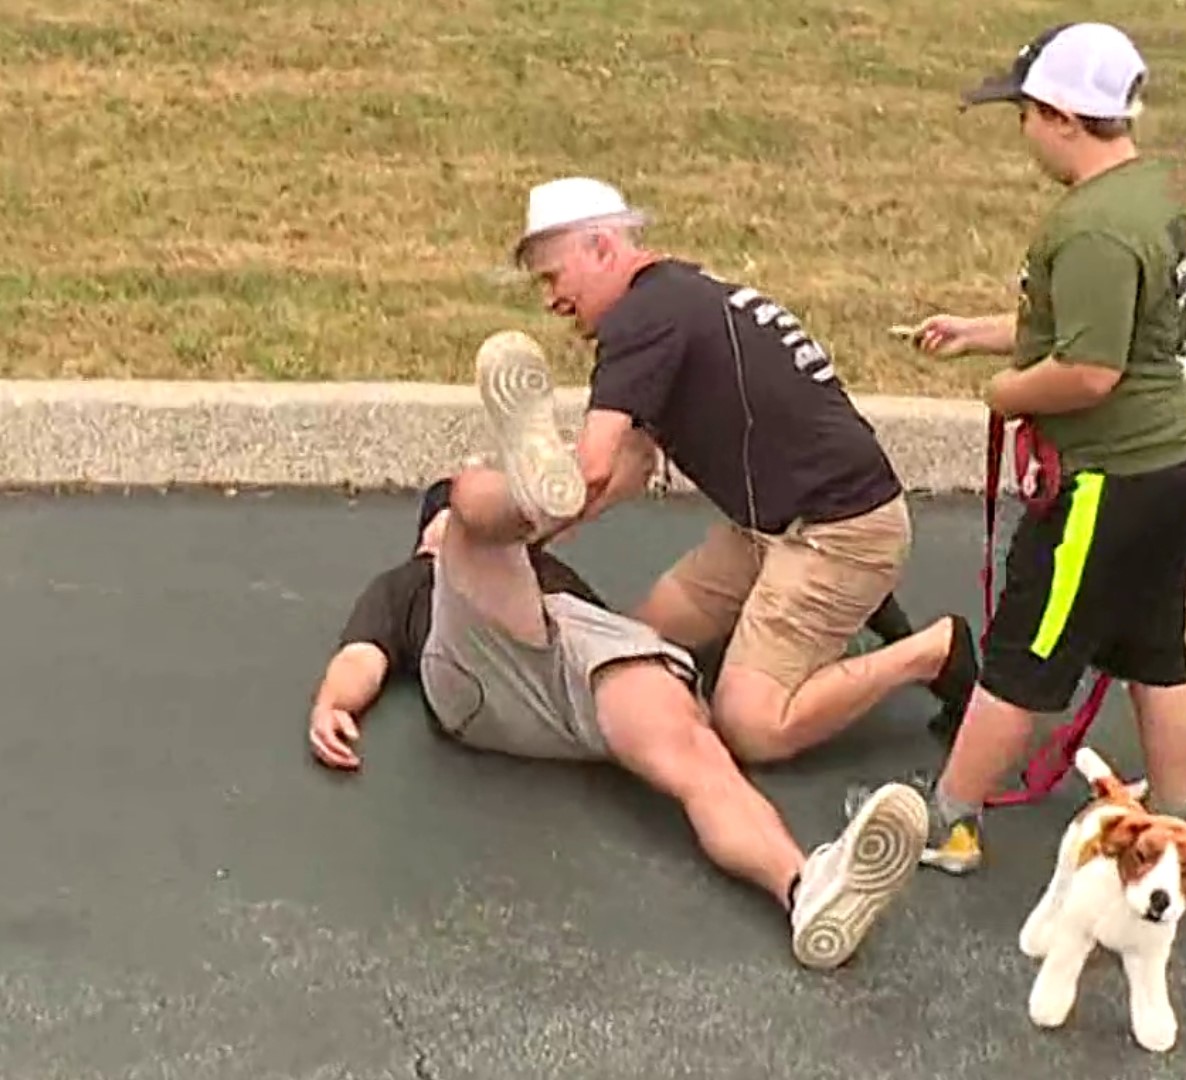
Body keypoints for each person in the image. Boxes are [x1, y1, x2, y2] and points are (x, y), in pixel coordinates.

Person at [304, 330, 930, 971]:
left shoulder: (551, 579)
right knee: (473, 506)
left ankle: (804, 886)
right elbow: (364, 654)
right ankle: (526, 489)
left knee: (698, 759)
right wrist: (334, 704)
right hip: (479, 665)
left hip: (578, 660)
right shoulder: (412, 581)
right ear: (424, 531)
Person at [846, 21, 1186, 874]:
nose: (1020, 130)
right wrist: (984, 335)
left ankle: (951, 821)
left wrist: (1004, 392)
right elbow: (1108, 325)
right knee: (1155, 648)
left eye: (1022, 111)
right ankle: (1180, 825)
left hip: (1112, 477)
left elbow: (1090, 369)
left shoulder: (1091, 228)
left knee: (1026, 648)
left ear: (1058, 115)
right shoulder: (1148, 195)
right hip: (1181, 459)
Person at [505, 176, 978, 766]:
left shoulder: (641, 319)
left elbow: (594, 465)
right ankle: (851, 608)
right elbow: (631, 464)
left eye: (552, 277)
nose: (551, 299)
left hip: (838, 533)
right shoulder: (677, 294)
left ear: (601, 248)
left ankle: (932, 650)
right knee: (644, 642)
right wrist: (538, 537)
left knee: (749, 725)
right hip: (771, 526)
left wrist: (503, 529)